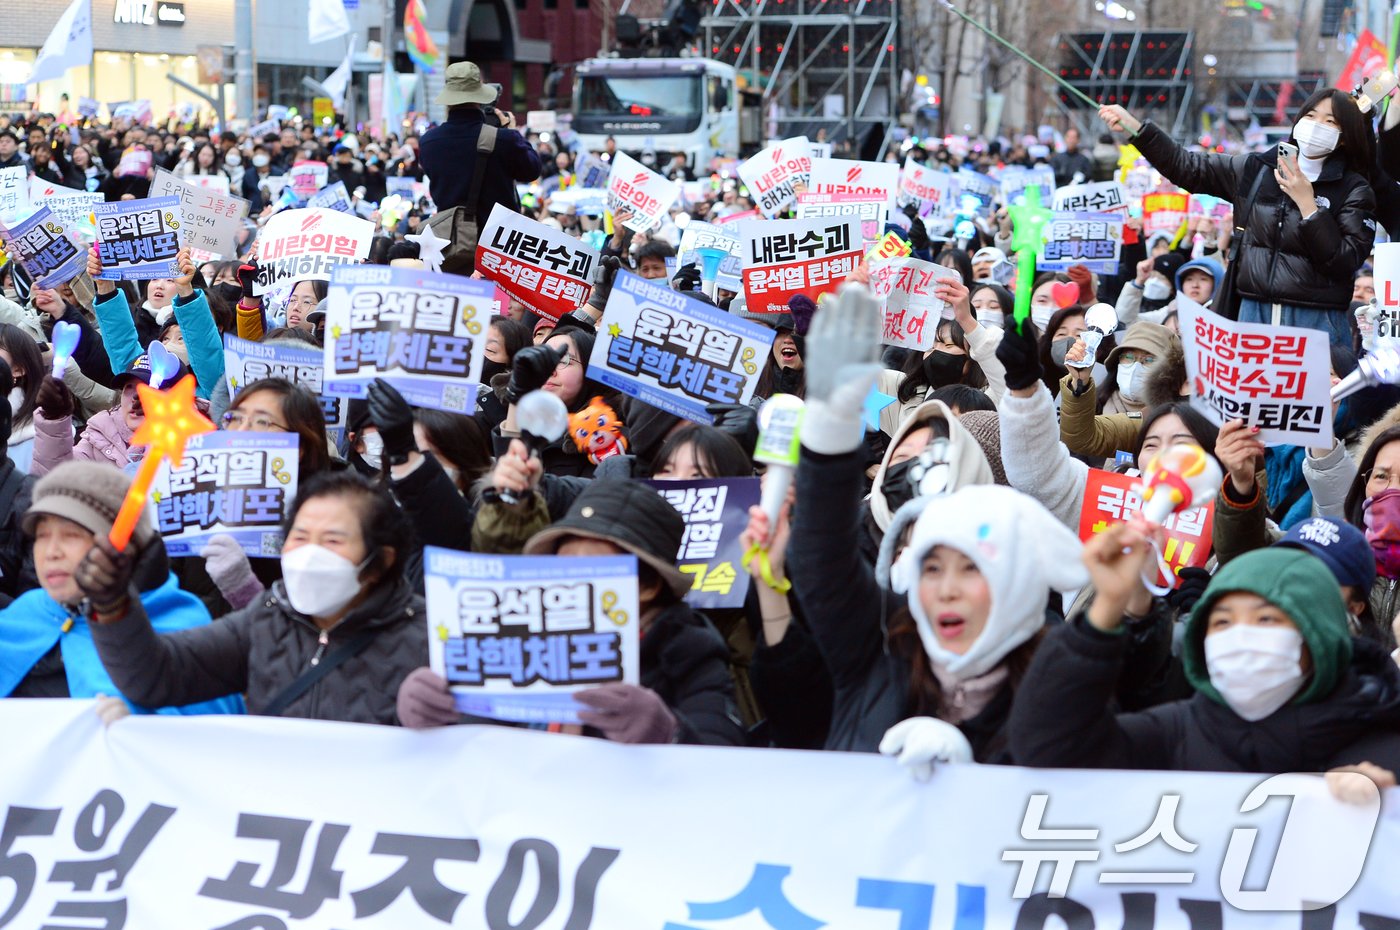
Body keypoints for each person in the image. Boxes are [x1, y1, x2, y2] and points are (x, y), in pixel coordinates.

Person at [396, 481, 746, 746]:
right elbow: (475, 741)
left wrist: (667, 732)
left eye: (592, 567)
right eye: (562, 564)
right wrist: (431, 714)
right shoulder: (515, 635)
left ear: (648, 585)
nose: (569, 580)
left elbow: (724, 751)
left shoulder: (689, 651)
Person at [1010, 540, 1400, 773]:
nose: (1241, 637)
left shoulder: (1379, 744)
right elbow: (1048, 746)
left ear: (1318, 638)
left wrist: (1373, 799)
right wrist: (1107, 608)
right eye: (1223, 622)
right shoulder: (1177, 731)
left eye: (1266, 619)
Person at [80, 471, 425, 724]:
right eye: (300, 537)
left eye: (333, 541)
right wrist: (112, 606)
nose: (310, 554)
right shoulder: (268, 618)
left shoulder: (428, 637)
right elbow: (158, 676)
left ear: (382, 560)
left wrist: (440, 718)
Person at [1100, 91, 1375, 344]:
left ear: (1344, 135)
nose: (1316, 125)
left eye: (1330, 121)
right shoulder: (1257, 169)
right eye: (1311, 116)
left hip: (1315, 321)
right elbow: (1188, 167)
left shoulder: (1355, 189)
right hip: (1252, 316)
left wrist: (1308, 205)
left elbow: (1345, 260)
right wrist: (1137, 130)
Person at [2, 461, 242, 715]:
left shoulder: (180, 624)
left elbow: (207, 737)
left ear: (124, 548)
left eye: (71, 535)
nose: (51, 552)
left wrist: (141, 727)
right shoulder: (25, 613)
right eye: (42, 536)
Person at [418, 62, 542, 232]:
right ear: (479, 98)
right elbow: (532, 170)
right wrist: (513, 133)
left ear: (448, 100)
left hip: (451, 242)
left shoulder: (428, 142)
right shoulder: (504, 139)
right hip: (498, 243)